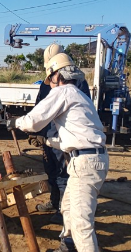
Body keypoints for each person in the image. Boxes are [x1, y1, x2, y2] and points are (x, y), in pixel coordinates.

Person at [7, 52, 110, 252]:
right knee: (66, 207)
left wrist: (12, 122)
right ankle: (69, 250)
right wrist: (49, 141)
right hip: (89, 160)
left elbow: (33, 121)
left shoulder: (62, 93)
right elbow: (77, 134)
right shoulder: (81, 96)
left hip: (85, 162)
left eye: (50, 78)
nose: (49, 83)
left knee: (82, 222)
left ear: (57, 75)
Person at [31, 44, 91, 226]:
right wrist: (37, 132)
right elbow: (40, 108)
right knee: (51, 171)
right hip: (48, 135)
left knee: (63, 175)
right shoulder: (46, 82)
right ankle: (55, 201)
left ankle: (62, 210)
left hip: (62, 136)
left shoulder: (75, 81)